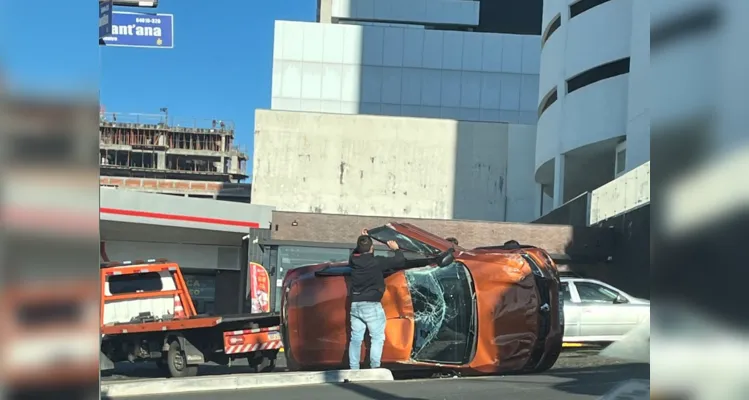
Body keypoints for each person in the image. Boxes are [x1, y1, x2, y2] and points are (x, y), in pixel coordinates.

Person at [348, 229, 405, 370]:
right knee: (377, 338)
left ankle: (354, 368)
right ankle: (375, 367)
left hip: (355, 304)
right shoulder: (377, 262)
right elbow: (399, 261)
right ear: (372, 248)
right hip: (371, 305)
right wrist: (396, 249)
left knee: (355, 339)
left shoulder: (353, 260)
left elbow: (357, 252)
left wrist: (363, 239)